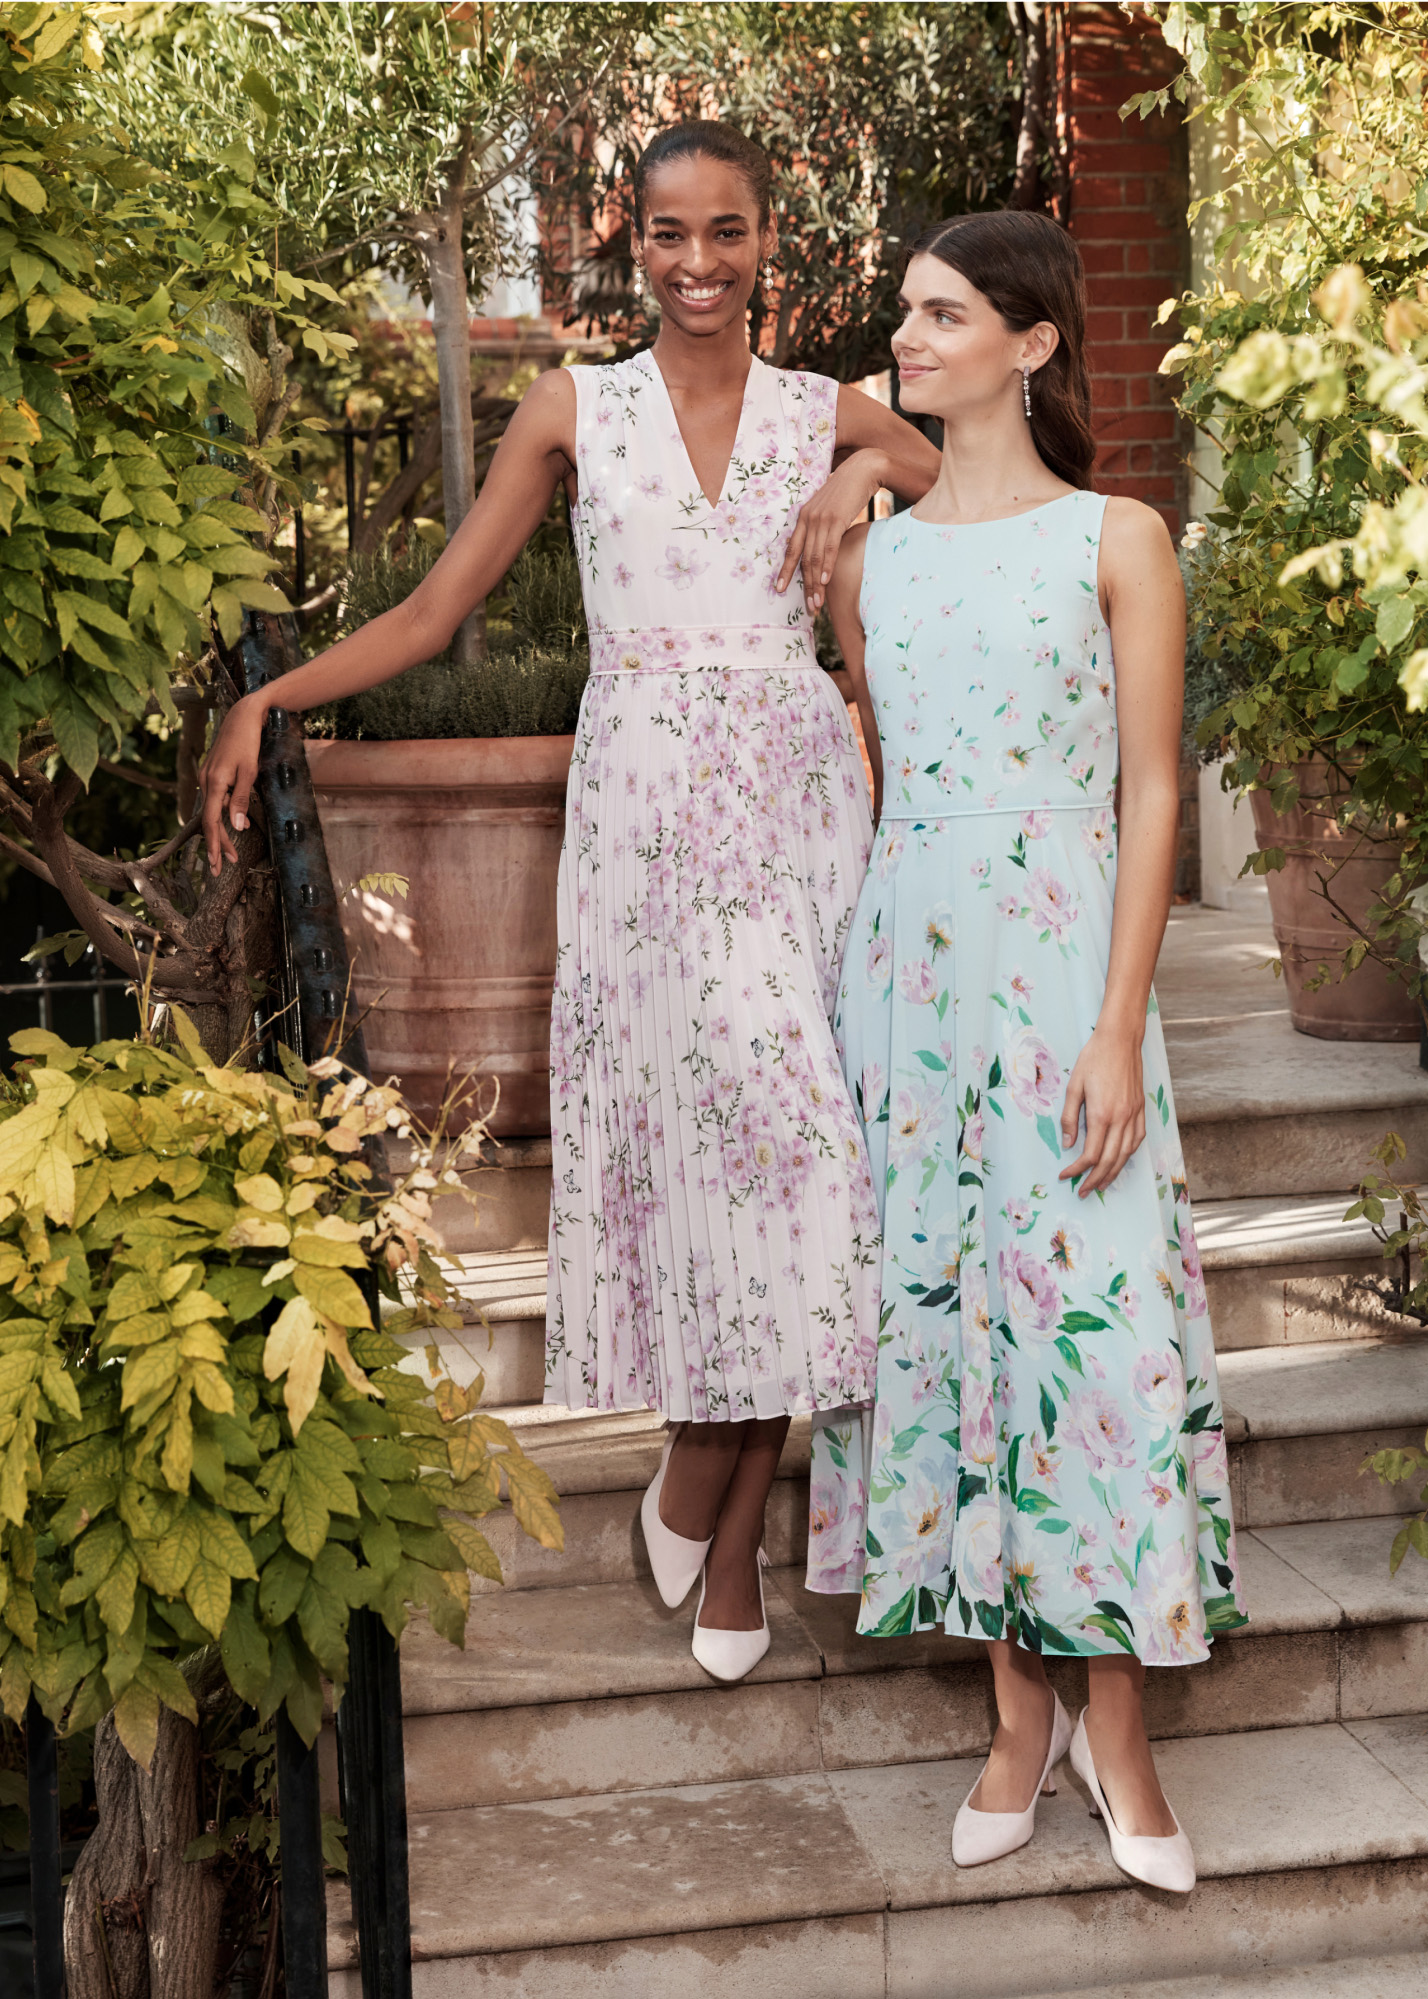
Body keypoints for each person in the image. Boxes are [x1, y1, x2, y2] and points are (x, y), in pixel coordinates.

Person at [199, 121, 940, 1684]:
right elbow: (432, 609)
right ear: (632, 246)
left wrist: (867, 468)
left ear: (765, 242)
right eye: (669, 234)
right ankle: (712, 1485)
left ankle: (722, 1520)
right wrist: (275, 710)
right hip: (650, 819)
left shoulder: (820, 409)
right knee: (714, 1154)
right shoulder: (573, 408)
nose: (697, 263)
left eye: (726, 233)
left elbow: (955, 463)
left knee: (808, 1157)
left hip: (802, 804)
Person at [808, 210, 1246, 1893]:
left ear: (1035, 341)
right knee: (948, 1334)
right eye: (904, 313)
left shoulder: (1120, 539)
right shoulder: (874, 556)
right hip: (912, 987)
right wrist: (860, 476)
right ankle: (1013, 1715)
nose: (907, 338)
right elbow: (881, 774)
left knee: (1098, 1333)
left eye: (943, 315)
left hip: (1069, 973)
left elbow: (1151, 795)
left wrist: (1120, 1026)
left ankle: (1115, 1727)